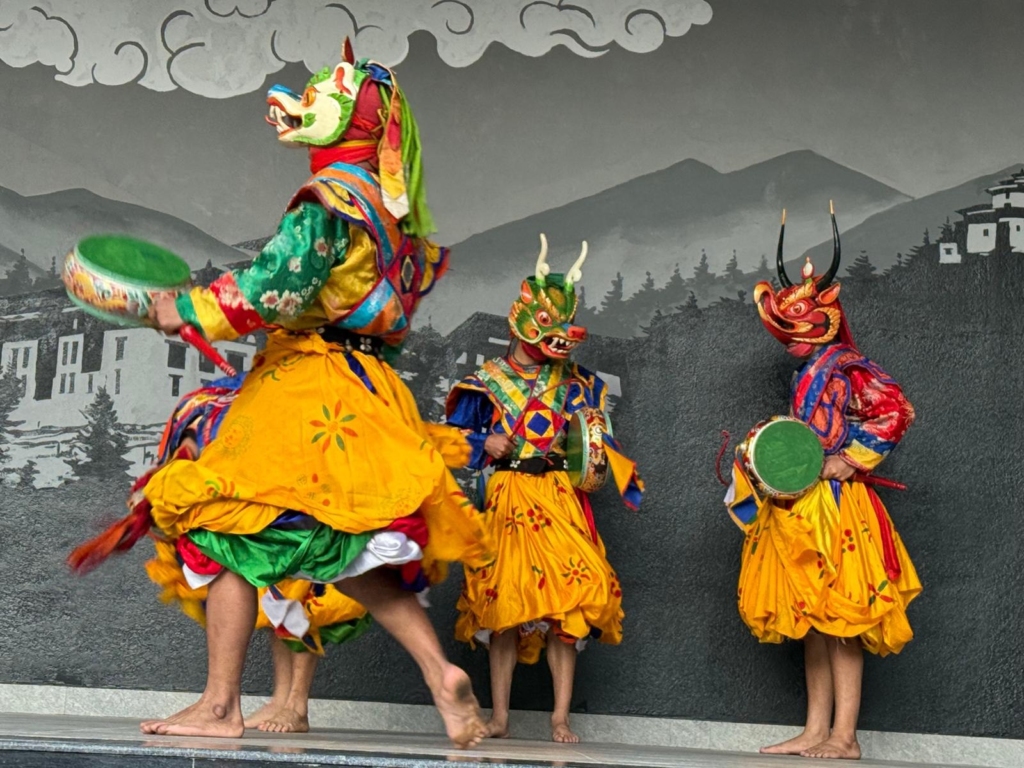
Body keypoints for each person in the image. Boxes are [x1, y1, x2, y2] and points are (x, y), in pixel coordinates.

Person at [68, 39, 493, 748]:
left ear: (349, 121)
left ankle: (219, 705)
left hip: (306, 384)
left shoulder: (326, 202)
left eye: (325, 90)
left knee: (217, 521)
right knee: (340, 546)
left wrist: (191, 310)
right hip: (367, 388)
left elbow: (276, 285)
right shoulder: (390, 217)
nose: (305, 97)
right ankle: (439, 673)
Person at [725, 205, 921, 760]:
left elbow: (894, 412)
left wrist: (851, 459)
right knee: (812, 620)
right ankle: (815, 731)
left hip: (837, 506)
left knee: (841, 620)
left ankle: (845, 736)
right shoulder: (808, 369)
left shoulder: (847, 364)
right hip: (800, 502)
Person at [446, 235, 643, 743]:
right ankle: (501, 716)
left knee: (572, 603)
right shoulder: (484, 381)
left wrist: (588, 451)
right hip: (509, 496)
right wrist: (484, 441)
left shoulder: (580, 382)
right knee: (503, 605)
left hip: (560, 498)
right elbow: (453, 441)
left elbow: (601, 441)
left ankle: (560, 716)